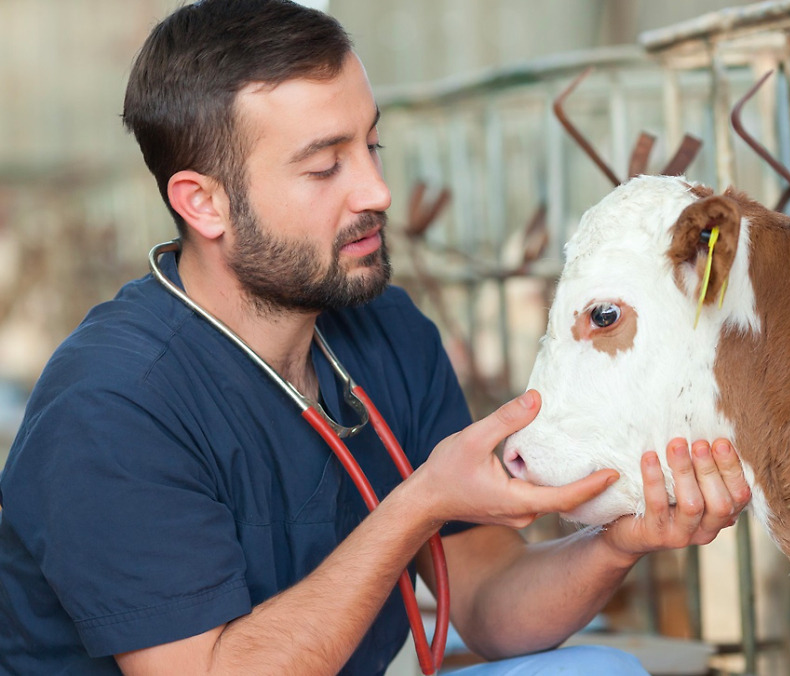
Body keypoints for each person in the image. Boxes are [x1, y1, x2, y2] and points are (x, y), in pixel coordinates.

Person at [0, 1, 751, 674]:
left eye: (372, 147)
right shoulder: (111, 403)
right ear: (204, 205)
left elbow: (488, 601)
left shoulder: (387, 334)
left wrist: (619, 542)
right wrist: (417, 503)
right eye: (326, 166)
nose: (376, 191)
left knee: (596, 671)